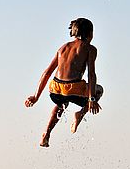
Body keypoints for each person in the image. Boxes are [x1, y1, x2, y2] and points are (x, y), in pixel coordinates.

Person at [24, 18, 103, 147]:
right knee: (99, 89)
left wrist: (36, 96)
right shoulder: (90, 49)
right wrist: (92, 99)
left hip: (55, 89)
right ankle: (80, 115)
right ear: (90, 34)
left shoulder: (63, 48)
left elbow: (47, 73)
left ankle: (46, 134)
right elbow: (91, 74)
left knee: (61, 102)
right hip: (74, 88)